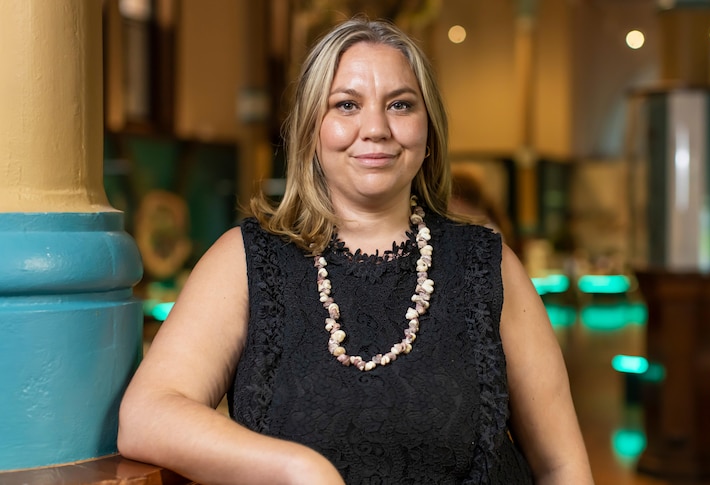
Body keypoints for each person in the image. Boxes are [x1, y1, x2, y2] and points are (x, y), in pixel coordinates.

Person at [118, 17, 594, 485]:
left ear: (428, 131)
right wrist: (298, 468)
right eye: (346, 105)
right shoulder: (245, 260)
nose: (376, 128)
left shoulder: (488, 265)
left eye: (401, 105)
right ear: (310, 130)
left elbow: (562, 467)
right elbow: (146, 415)